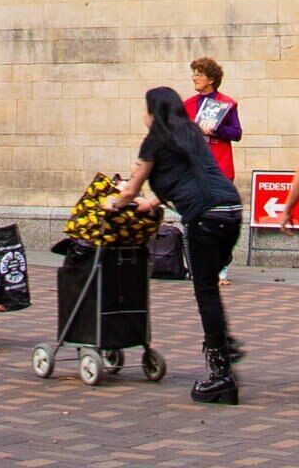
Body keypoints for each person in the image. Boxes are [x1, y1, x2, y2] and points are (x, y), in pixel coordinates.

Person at [113, 83, 248, 403]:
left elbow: (131, 188)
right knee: (210, 287)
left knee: (205, 291)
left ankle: (221, 375)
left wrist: (116, 203)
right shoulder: (190, 132)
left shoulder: (155, 139)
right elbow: (189, 175)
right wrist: (155, 202)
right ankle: (223, 344)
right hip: (231, 211)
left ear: (153, 111)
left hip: (204, 218)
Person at [187, 57, 244, 189]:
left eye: (199, 75)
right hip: (195, 167)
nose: (194, 78)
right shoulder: (187, 104)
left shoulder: (227, 103)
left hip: (220, 166)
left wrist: (216, 129)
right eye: (193, 75)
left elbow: (237, 133)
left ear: (211, 80)